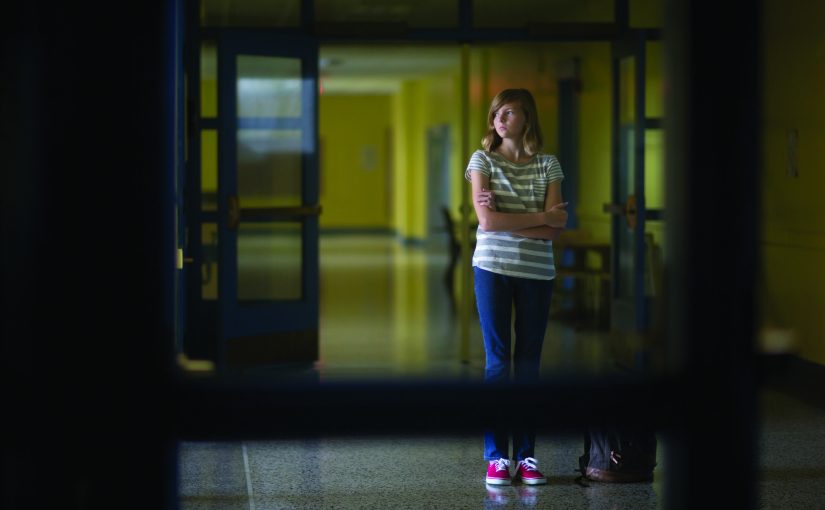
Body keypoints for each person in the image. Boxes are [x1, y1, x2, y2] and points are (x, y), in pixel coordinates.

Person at [465, 88, 568, 486]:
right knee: (497, 361)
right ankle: (496, 457)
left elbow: (556, 229)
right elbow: (487, 224)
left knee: (528, 363)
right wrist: (539, 217)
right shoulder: (482, 161)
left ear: (528, 119)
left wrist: (512, 215)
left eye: (510, 113)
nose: (501, 120)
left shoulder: (548, 165)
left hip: (537, 273)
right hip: (491, 268)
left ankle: (526, 456)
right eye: (497, 114)